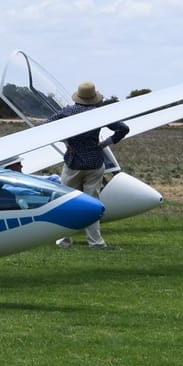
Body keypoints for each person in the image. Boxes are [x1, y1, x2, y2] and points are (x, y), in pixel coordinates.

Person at [45, 80, 130, 248]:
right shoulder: (100, 113)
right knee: (92, 204)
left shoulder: (67, 111)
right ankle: (96, 242)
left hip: (73, 162)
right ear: (94, 97)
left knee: (66, 201)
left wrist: (66, 142)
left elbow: (47, 126)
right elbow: (123, 128)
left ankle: (64, 240)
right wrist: (105, 143)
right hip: (95, 162)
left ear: (78, 96)